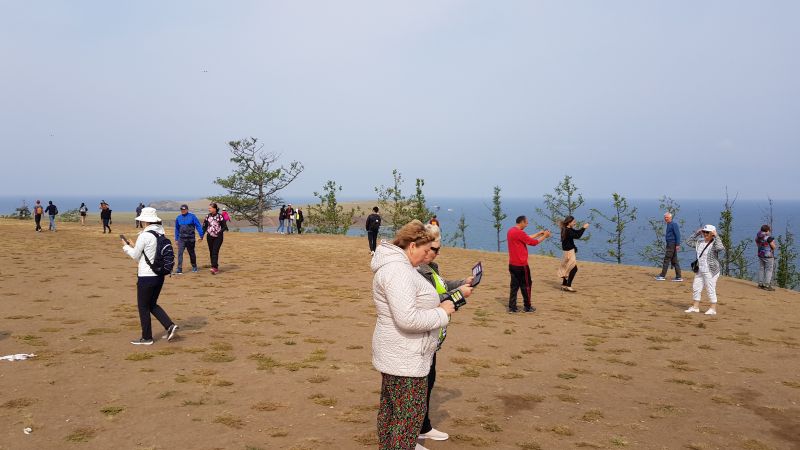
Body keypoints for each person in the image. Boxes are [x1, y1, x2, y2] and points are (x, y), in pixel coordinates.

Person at [371, 220, 456, 450]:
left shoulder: (401, 268)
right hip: (405, 359)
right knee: (406, 420)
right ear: (412, 246)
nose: (429, 255)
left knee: (391, 414)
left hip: (400, 355)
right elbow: (407, 319)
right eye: (426, 249)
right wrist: (441, 313)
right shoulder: (398, 272)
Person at [416, 224, 473, 443]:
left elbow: (442, 286)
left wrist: (461, 283)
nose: (437, 253)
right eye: (434, 248)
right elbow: (432, 301)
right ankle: (413, 433)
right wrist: (459, 294)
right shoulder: (416, 271)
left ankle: (424, 426)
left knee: (429, 381)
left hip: (434, 336)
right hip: (424, 334)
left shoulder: (432, 267)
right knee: (420, 385)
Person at [121, 207, 178, 345]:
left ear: (145, 221)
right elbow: (147, 254)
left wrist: (126, 247)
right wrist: (135, 246)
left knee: (143, 306)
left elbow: (135, 256)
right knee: (152, 304)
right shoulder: (160, 234)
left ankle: (147, 337)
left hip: (146, 276)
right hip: (159, 275)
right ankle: (169, 326)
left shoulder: (144, 235)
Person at [506, 216, 551, 313]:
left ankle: (512, 307)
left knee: (514, 286)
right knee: (526, 285)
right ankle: (527, 306)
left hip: (512, 264)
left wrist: (539, 233)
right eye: (526, 223)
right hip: (521, 265)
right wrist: (544, 236)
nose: (527, 225)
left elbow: (526, 237)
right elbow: (533, 243)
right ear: (521, 222)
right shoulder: (519, 232)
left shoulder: (511, 231)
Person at [685, 224, 725, 315]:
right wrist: (696, 233)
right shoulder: (700, 242)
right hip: (700, 269)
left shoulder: (715, 243)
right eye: (704, 231)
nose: (705, 234)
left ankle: (713, 308)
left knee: (710, 288)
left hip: (711, 270)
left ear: (712, 233)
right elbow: (688, 242)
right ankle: (695, 307)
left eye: (708, 232)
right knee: (696, 287)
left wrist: (717, 236)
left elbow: (720, 247)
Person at [558, 215, 590, 292]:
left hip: (567, 251)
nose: (575, 223)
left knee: (567, 268)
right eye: (573, 222)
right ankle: (568, 286)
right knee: (573, 268)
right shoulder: (567, 230)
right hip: (569, 252)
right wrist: (584, 228)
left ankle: (564, 285)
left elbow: (576, 233)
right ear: (569, 222)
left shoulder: (567, 229)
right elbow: (577, 236)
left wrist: (574, 247)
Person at [174, 204, 204, 274]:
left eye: (184, 209)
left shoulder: (192, 217)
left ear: (187, 210)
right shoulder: (178, 218)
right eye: (182, 210)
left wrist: (201, 235)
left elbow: (198, 226)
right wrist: (176, 238)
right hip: (181, 239)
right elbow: (177, 229)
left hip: (190, 238)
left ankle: (194, 266)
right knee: (180, 253)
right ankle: (179, 268)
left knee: (191, 253)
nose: (183, 211)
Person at [656, 212, 683, 281]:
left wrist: (677, 244)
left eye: (667, 217)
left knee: (666, 259)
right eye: (665, 217)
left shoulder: (674, 224)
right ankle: (678, 277)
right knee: (674, 260)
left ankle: (662, 275)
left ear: (670, 217)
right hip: (670, 244)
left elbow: (678, 235)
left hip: (672, 244)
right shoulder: (669, 224)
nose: (665, 218)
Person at [203, 202, 228, 275]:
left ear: (214, 209)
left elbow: (225, 227)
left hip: (218, 237)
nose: (209, 209)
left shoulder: (220, 216)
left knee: (215, 251)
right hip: (209, 236)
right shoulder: (207, 216)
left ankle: (215, 268)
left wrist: (220, 232)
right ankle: (213, 265)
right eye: (209, 208)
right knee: (211, 251)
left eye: (210, 208)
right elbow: (204, 226)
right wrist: (201, 235)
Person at [755, 225, 777, 291]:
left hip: (760, 254)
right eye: (769, 230)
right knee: (769, 270)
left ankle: (760, 284)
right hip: (768, 256)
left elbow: (757, 244)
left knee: (761, 269)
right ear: (767, 231)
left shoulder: (758, 237)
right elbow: (774, 247)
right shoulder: (768, 238)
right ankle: (767, 285)